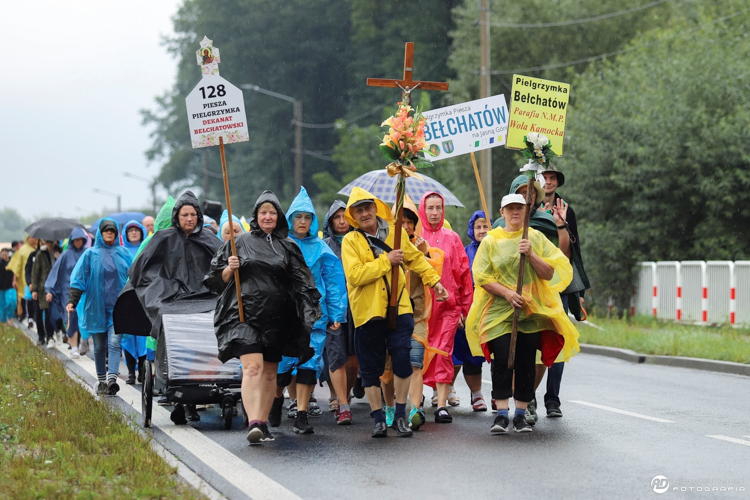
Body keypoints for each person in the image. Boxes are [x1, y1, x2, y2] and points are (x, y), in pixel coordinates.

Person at [205, 190, 321, 445]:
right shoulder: (239, 242)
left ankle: (263, 421)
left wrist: (308, 311)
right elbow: (214, 280)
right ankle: (254, 421)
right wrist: (229, 269)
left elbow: (302, 282)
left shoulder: (288, 246)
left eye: (272, 212)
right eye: (263, 212)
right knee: (253, 367)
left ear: (279, 217)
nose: (268, 216)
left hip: (277, 319)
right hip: (243, 316)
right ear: (256, 216)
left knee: (270, 374)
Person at [465, 193, 580, 434]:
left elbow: (550, 273)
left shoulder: (535, 238)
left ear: (526, 211)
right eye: (510, 208)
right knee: (503, 358)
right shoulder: (491, 240)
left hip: (531, 311)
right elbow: (482, 277)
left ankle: (520, 415)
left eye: (519, 207)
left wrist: (531, 254)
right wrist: (507, 294)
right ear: (502, 212)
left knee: (526, 361)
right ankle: (501, 415)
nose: (515, 212)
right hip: (498, 311)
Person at [341, 187, 448, 438]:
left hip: (399, 307)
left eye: (368, 207)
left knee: (403, 360)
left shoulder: (395, 231)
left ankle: (400, 416)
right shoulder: (350, 240)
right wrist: (386, 261)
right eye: (359, 210)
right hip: (368, 311)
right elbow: (355, 275)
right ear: (353, 216)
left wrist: (435, 281)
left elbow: (416, 260)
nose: (365, 213)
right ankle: (378, 418)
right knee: (371, 367)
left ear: (375, 208)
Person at [114, 191, 221, 422]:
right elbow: (140, 269)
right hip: (172, 304)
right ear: (177, 216)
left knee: (201, 352)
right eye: (185, 214)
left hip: (205, 302)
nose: (189, 219)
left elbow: (223, 265)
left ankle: (192, 401)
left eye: (193, 214)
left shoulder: (210, 239)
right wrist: (161, 289)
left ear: (199, 216)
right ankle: (180, 402)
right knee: (178, 354)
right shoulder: (163, 238)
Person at [267, 187, 347, 434]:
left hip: (315, 315)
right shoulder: (278, 245)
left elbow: (334, 283)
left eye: (307, 217)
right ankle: (277, 399)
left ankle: (301, 414)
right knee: (282, 366)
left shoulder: (322, 249)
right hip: (285, 315)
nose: (302, 222)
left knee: (309, 365)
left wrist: (337, 314)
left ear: (312, 220)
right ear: (290, 218)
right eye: (298, 217)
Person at [538, 164, 589, 419]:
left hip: (560, 283)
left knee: (558, 339)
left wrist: (579, 293)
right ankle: (527, 397)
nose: (548, 182)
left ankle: (552, 399)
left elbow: (574, 252)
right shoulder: (526, 207)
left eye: (552, 178)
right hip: (533, 282)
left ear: (557, 182)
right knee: (532, 340)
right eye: (544, 177)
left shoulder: (567, 210)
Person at [418, 191, 473, 423]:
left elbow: (463, 276)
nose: (434, 213)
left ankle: (441, 405)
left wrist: (464, 309)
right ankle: (415, 401)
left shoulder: (452, 238)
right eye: (430, 208)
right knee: (417, 354)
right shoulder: (414, 236)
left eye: (438, 208)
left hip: (448, 307)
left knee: (443, 354)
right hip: (420, 308)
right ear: (423, 209)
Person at [67, 219, 132, 395]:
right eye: (106, 231)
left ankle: (112, 380)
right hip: (96, 308)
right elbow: (79, 279)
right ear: (100, 234)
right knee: (99, 345)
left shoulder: (123, 253)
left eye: (112, 230)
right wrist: (72, 300)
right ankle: (101, 380)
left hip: (118, 308)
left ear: (116, 233)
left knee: (114, 342)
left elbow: (134, 278)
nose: (109, 233)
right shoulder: (90, 255)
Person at [321, 199, 360, 423]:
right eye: (337, 217)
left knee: (354, 359)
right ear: (330, 221)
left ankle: (346, 392)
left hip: (357, 307)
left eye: (345, 216)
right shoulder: (324, 246)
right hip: (332, 309)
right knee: (336, 356)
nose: (342, 221)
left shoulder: (359, 242)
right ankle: (342, 404)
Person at [450, 211, 491, 413]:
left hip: (494, 310)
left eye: (485, 226)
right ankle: (476, 395)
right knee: (469, 353)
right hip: (470, 311)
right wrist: (459, 310)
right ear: (471, 230)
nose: (482, 231)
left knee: (497, 354)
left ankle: (499, 394)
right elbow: (457, 282)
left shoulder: (499, 249)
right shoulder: (465, 252)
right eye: (478, 227)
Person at [45, 228, 88, 358]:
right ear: (72, 241)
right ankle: (74, 347)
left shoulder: (88, 253)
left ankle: (84, 342)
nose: (78, 242)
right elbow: (55, 272)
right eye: (76, 240)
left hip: (85, 291)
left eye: (80, 240)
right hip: (67, 292)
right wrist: (49, 290)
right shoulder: (65, 254)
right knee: (71, 318)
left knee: (85, 317)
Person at [120, 220, 149, 385]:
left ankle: (143, 372)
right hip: (128, 298)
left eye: (136, 230)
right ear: (125, 233)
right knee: (128, 335)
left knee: (143, 336)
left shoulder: (146, 249)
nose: (133, 233)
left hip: (144, 297)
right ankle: (131, 372)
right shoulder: (122, 252)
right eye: (130, 230)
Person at [31, 240, 58, 348]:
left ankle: (53, 334)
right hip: (43, 288)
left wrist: (58, 257)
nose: (50, 244)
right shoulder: (41, 254)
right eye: (48, 242)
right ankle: (43, 336)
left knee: (53, 313)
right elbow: (35, 272)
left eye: (51, 242)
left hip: (56, 287)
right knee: (42, 312)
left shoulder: (59, 253)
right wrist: (34, 289)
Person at [8, 236, 37, 324]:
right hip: (25, 278)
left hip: (36, 278)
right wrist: (14, 280)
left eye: (34, 238)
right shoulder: (23, 250)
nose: (32, 239)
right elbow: (17, 266)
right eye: (31, 238)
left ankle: (32, 317)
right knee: (26, 296)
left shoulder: (37, 250)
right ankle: (26, 315)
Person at [1, 248, 17, 325]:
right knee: (2, 304)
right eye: (3, 254)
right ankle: (4, 320)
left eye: (6, 254)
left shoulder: (12, 262)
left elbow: (16, 271)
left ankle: (9, 317)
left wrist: (15, 280)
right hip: (1, 286)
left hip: (10, 285)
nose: (4, 256)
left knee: (12, 301)